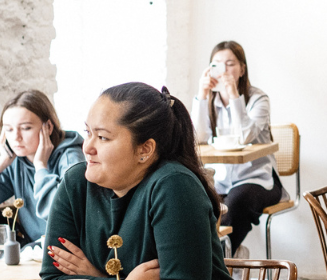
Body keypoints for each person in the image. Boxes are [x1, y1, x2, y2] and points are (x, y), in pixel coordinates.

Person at [42, 82, 230, 280]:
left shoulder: (174, 186)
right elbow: (52, 277)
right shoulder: (76, 183)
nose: (87, 147)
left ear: (145, 149)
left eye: (103, 137)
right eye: (88, 132)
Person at [0, 90, 85, 253]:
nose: (16, 137)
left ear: (48, 127)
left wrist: (41, 167)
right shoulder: (16, 162)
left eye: (26, 128)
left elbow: (63, 216)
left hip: (70, 252)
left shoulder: (71, 157)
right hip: (36, 252)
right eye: (8, 129)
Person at [192, 41, 284, 256]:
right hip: (222, 180)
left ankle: (225, 257)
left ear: (242, 69)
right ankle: (232, 253)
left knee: (236, 202)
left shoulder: (258, 98)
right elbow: (198, 138)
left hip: (259, 179)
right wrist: (201, 95)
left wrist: (233, 95)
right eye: (216, 64)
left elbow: (245, 137)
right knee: (196, 201)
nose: (223, 70)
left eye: (230, 64)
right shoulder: (209, 100)